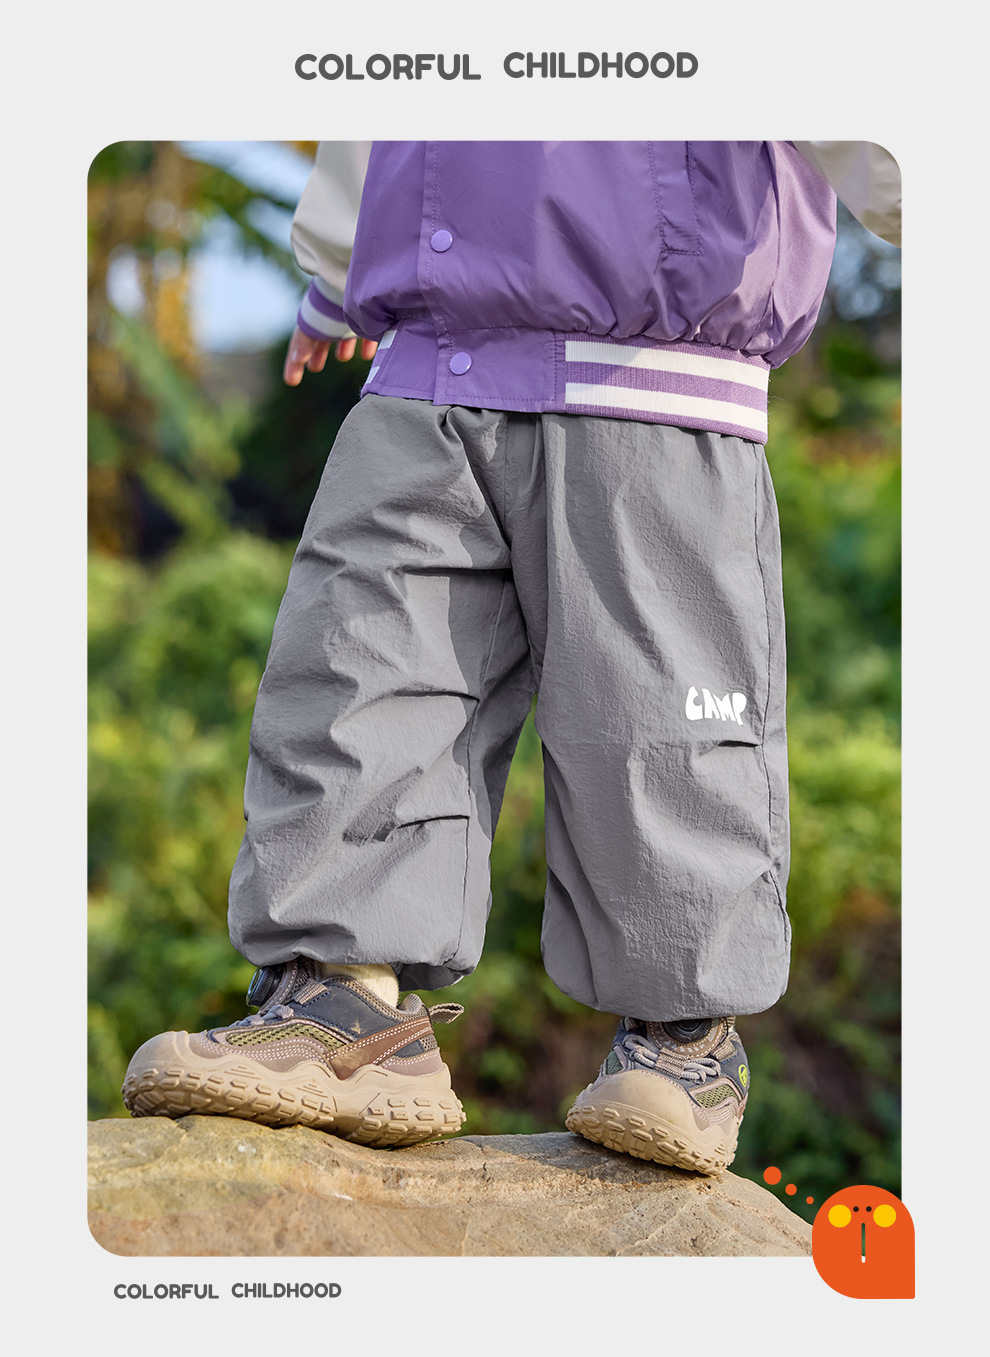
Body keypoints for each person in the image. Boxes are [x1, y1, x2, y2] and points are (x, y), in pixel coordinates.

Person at [123, 141, 900, 1173]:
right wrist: (338, 263)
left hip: (656, 372)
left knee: (660, 729)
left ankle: (685, 1043)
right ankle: (342, 1004)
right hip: (426, 371)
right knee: (358, 670)